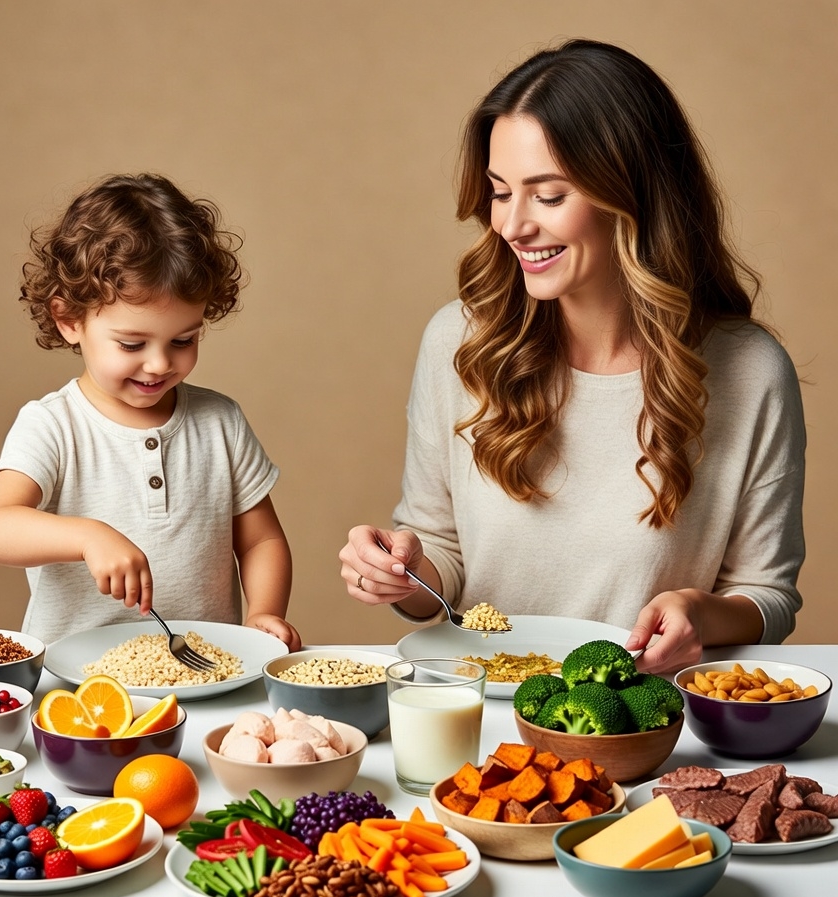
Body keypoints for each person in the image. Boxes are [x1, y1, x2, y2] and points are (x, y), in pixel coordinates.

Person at [339, 40, 804, 675]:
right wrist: (404, 572)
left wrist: (699, 612)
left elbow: (767, 595)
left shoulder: (750, 371)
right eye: (501, 192)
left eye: (549, 196)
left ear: (633, 197)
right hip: (480, 716)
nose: (512, 225)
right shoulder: (459, 343)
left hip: (643, 720)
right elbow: (442, 562)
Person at [0, 173, 301, 650]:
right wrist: (89, 536)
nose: (159, 363)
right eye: (132, 343)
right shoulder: (53, 425)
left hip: (204, 674)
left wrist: (264, 612)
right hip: (79, 691)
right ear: (69, 320)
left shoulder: (221, 422)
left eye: (183, 340)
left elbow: (260, 542)